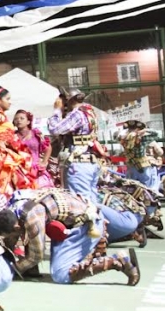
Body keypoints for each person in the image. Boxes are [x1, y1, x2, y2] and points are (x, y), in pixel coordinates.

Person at [48, 89, 143, 245]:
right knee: (91, 203)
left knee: (83, 205)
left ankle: (116, 228)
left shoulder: (78, 113)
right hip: (89, 163)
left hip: (79, 165)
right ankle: (98, 237)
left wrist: (57, 111)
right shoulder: (90, 112)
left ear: (69, 100)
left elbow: (55, 129)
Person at [0, 190, 138, 285]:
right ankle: (32, 270)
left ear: (16, 227)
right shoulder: (13, 207)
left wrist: (10, 270)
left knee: (61, 275)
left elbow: (36, 256)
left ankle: (117, 261)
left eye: (11, 235)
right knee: (32, 236)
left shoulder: (32, 218)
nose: (10, 240)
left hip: (85, 225)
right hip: (65, 223)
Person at [0, 86, 34, 206]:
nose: (10, 102)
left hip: (3, 157)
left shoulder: (0, 115)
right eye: (8, 98)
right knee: (1, 190)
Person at [13, 110, 54, 189]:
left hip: (36, 169)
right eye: (16, 119)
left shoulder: (36, 134)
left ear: (28, 121)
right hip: (19, 170)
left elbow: (48, 147)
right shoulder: (12, 136)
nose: (18, 120)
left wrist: (44, 162)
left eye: (22, 118)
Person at [122, 120, 161, 197]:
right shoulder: (143, 139)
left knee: (131, 190)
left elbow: (116, 136)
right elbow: (157, 134)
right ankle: (147, 206)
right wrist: (145, 130)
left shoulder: (123, 139)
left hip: (131, 167)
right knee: (147, 190)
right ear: (138, 130)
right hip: (143, 167)